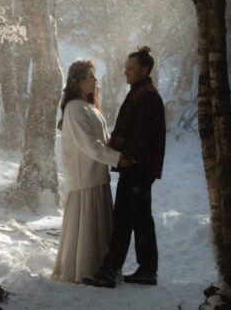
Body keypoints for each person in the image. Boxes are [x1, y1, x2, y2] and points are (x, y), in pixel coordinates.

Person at [83, 46, 166, 288]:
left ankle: (110, 271)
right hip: (140, 167)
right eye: (126, 67)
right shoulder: (140, 92)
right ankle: (147, 270)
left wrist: (126, 157)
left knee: (123, 219)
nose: (125, 72)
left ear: (145, 69)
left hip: (137, 168)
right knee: (140, 218)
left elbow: (145, 134)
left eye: (130, 68)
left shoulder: (147, 95)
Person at [52, 60, 130, 283]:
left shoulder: (90, 107)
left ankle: (97, 269)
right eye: (90, 76)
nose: (95, 80)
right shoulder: (75, 108)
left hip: (96, 173)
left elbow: (102, 140)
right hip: (84, 174)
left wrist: (119, 146)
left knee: (96, 226)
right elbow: (88, 144)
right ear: (77, 82)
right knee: (86, 225)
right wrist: (117, 159)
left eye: (94, 76)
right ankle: (82, 269)